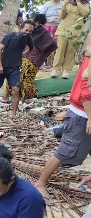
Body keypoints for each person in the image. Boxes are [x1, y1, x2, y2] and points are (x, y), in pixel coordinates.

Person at [35, 54, 91, 201]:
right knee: (66, 150)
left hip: (85, 113)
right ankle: (40, 183)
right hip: (83, 114)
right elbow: (86, 88)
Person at [0, 20, 34, 119]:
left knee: (15, 90)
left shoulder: (28, 38)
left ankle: (13, 115)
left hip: (15, 68)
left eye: (30, 31)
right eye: (26, 30)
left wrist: (22, 54)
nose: (28, 33)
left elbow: (32, 48)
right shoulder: (11, 35)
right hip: (3, 66)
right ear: (21, 28)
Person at [19, 14, 58, 100]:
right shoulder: (31, 31)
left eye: (32, 20)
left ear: (37, 22)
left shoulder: (43, 32)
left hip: (34, 61)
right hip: (23, 58)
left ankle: (27, 96)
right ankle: (20, 96)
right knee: (19, 77)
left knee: (27, 80)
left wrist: (41, 51)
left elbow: (52, 44)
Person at [51, 0, 90, 79]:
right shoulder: (67, 2)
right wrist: (64, 4)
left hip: (77, 31)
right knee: (60, 50)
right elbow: (61, 16)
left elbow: (85, 13)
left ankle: (66, 70)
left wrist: (78, 2)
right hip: (63, 30)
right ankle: (55, 69)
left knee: (71, 51)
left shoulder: (86, 3)